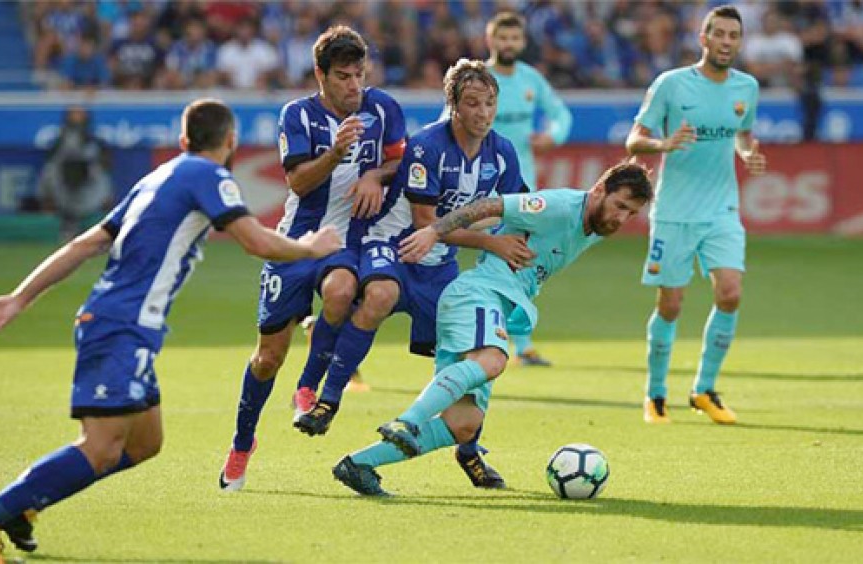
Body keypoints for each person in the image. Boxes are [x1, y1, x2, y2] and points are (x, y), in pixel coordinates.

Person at [0, 99, 342, 564]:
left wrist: (19, 297)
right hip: (121, 326)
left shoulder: (156, 179)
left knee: (144, 443)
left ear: (183, 140)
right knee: (101, 447)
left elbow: (85, 243)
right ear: (231, 141)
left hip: (123, 325)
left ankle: (23, 508)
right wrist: (309, 248)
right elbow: (254, 240)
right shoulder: (208, 175)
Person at [331, 162, 654, 496]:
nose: (621, 219)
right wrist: (433, 231)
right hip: (479, 294)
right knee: (492, 359)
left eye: (631, 213)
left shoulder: (594, 226)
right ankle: (407, 421)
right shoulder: (558, 206)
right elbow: (489, 206)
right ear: (598, 189)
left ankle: (359, 464)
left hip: (495, 304)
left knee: (463, 423)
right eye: (619, 206)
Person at [290, 60, 534, 489]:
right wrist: (492, 241)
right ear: (453, 105)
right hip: (392, 243)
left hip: (440, 266)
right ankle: (328, 400)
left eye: (490, 103)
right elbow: (426, 223)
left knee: (475, 357)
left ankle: (469, 449)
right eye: (472, 103)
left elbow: (518, 208)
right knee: (380, 294)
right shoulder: (427, 146)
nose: (483, 112)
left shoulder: (502, 153)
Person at [218, 26, 405, 492]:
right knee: (267, 358)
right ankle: (242, 444)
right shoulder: (297, 115)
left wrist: (375, 177)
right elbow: (299, 183)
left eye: (359, 75)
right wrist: (337, 152)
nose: (354, 85)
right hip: (296, 242)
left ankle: (308, 386)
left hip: (345, 240)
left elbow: (400, 161)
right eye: (343, 76)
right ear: (320, 75)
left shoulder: (382, 108)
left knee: (342, 290)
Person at [624, 6, 768, 425]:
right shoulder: (671, 84)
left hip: (722, 209)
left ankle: (704, 389)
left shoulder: (747, 87)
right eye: (718, 34)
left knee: (730, 293)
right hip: (674, 211)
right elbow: (635, 139)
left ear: (739, 42)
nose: (726, 42)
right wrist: (664, 144)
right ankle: (655, 394)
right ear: (703, 39)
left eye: (733, 36)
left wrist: (748, 153)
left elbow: (743, 134)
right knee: (671, 304)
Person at [481, 12, 573, 368]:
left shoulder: (531, 79)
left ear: (521, 42)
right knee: (488, 263)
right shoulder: (478, 79)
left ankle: (519, 344)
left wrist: (553, 136)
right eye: (502, 38)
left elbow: (561, 114)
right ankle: (490, 338)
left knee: (518, 262)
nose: (508, 44)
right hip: (481, 184)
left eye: (514, 38)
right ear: (491, 40)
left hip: (522, 189)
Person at [38, 106, 112, 240]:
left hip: (89, 184)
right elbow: (51, 162)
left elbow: (105, 164)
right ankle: (64, 222)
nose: (77, 117)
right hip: (63, 183)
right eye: (74, 113)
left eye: (80, 113)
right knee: (50, 171)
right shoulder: (59, 141)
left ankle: (96, 226)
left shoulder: (94, 140)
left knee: (100, 174)